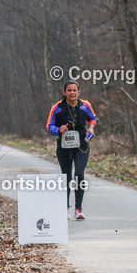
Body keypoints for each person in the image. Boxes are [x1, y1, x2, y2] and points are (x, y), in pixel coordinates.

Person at [46, 81, 97, 219]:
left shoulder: (85, 105)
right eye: (69, 90)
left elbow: (93, 118)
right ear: (64, 92)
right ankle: (66, 208)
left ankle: (78, 209)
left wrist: (91, 127)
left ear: (79, 92)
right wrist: (59, 130)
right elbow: (49, 126)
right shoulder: (57, 107)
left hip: (81, 144)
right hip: (64, 146)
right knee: (66, 176)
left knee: (79, 174)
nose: (72, 93)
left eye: (74, 90)